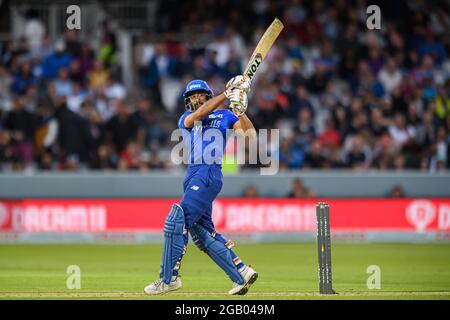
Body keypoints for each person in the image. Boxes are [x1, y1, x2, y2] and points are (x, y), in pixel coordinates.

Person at [144, 76, 258, 295]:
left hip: (207, 172)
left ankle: (169, 279)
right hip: (192, 175)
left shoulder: (226, 115)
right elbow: (198, 114)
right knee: (201, 232)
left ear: (206, 95)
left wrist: (240, 109)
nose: (195, 99)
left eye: (199, 95)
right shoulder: (187, 118)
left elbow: (250, 139)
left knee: (177, 220)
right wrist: (226, 94)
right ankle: (241, 271)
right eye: (192, 96)